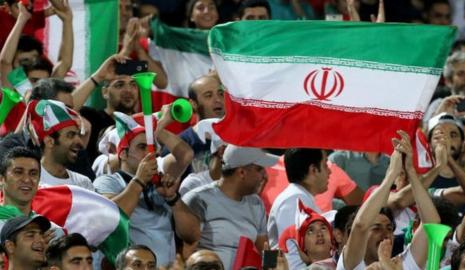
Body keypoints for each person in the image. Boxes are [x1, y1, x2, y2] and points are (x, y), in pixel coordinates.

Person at [94, 110, 197, 267]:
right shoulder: (107, 181)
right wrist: (139, 181)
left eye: (153, 147)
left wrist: (173, 198)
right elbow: (111, 220)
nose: (151, 152)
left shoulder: (162, 183)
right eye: (143, 147)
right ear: (123, 154)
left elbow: (192, 235)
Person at [339, 130, 440, 270]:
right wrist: (392, 174)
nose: (386, 234)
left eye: (390, 228)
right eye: (376, 228)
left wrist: (411, 171)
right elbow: (361, 225)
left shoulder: (401, 264)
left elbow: (432, 225)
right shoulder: (351, 264)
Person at [183, 145, 278, 269]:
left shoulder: (256, 203)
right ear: (242, 172)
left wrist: (274, 266)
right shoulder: (197, 199)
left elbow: (265, 249)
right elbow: (186, 253)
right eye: (259, 169)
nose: (265, 176)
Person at [268, 148, 330, 269]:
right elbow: (292, 260)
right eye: (325, 165)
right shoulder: (294, 200)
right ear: (313, 170)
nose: (330, 171)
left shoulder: (299, 197)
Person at [26, 99, 94, 191]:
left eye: (78, 135)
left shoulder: (83, 183)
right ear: (49, 141)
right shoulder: (30, 182)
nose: (80, 142)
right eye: (70, 135)